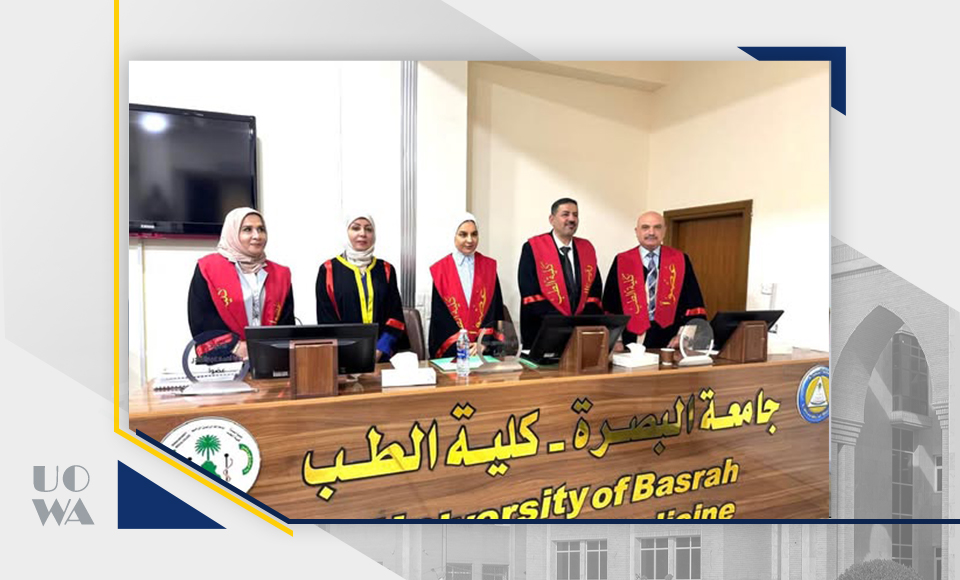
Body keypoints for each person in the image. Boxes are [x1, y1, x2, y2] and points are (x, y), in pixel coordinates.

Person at [187, 207, 294, 360]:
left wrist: (271, 349)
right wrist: (236, 347)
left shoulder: (281, 274)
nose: (257, 236)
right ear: (232, 233)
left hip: (270, 359)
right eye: (247, 230)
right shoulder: (208, 268)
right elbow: (200, 319)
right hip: (225, 358)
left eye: (261, 229)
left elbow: (287, 324)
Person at [602, 211, 706, 349]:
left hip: (671, 337)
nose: (651, 232)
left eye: (657, 227)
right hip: (630, 338)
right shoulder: (622, 260)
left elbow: (693, 302)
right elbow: (611, 305)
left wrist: (683, 336)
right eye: (645, 227)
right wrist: (616, 340)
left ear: (664, 231)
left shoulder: (680, 260)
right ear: (637, 232)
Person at [315, 212, 409, 361]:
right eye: (356, 228)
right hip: (343, 358)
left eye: (368, 229)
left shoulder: (386, 269)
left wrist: (379, 350)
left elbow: (395, 315)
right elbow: (326, 320)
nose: (363, 234)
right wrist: (350, 352)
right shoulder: (328, 270)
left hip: (383, 356)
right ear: (345, 232)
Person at [518, 197, 603, 349]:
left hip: (580, 331)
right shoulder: (533, 247)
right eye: (565, 214)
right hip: (543, 330)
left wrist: (581, 321)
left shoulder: (586, 248)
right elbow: (529, 290)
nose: (572, 219)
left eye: (575, 215)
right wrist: (561, 322)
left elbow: (594, 290)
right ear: (552, 219)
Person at [428, 213, 506, 359]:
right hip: (453, 351)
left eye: (474, 234)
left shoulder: (489, 267)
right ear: (454, 236)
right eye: (463, 234)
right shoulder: (441, 270)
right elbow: (440, 319)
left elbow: (495, 311)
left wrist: (484, 343)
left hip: (483, 351)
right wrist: (460, 345)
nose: (470, 240)